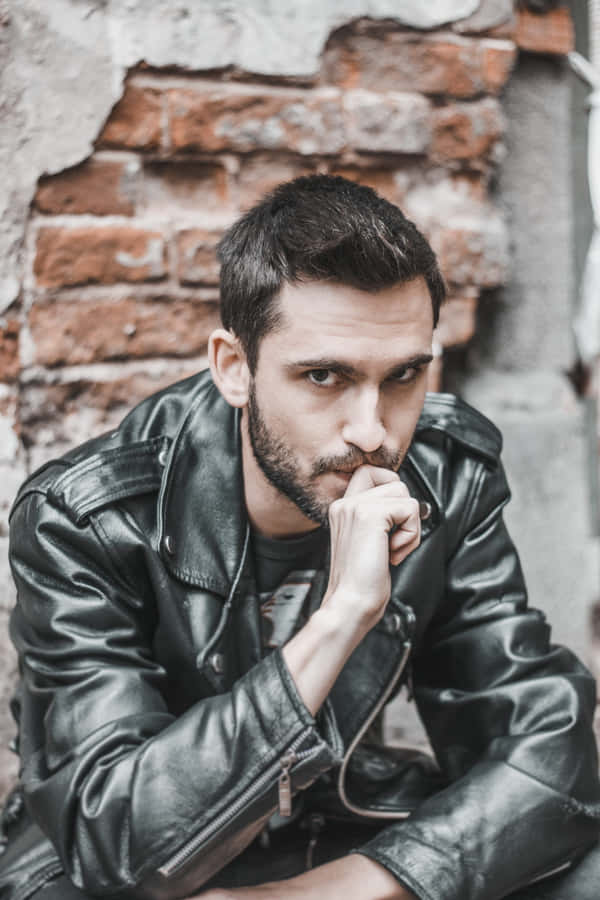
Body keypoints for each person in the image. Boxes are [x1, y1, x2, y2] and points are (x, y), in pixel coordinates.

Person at [0, 175, 599, 900]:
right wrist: (340, 618)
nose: (372, 432)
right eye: (324, 376)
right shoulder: (88, 516)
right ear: (234, 369)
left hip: (339, 827)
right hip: (149, 856)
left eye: (405, 375)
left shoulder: (446, 474)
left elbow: (549, 757)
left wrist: (330, 891)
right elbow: (119, 839)